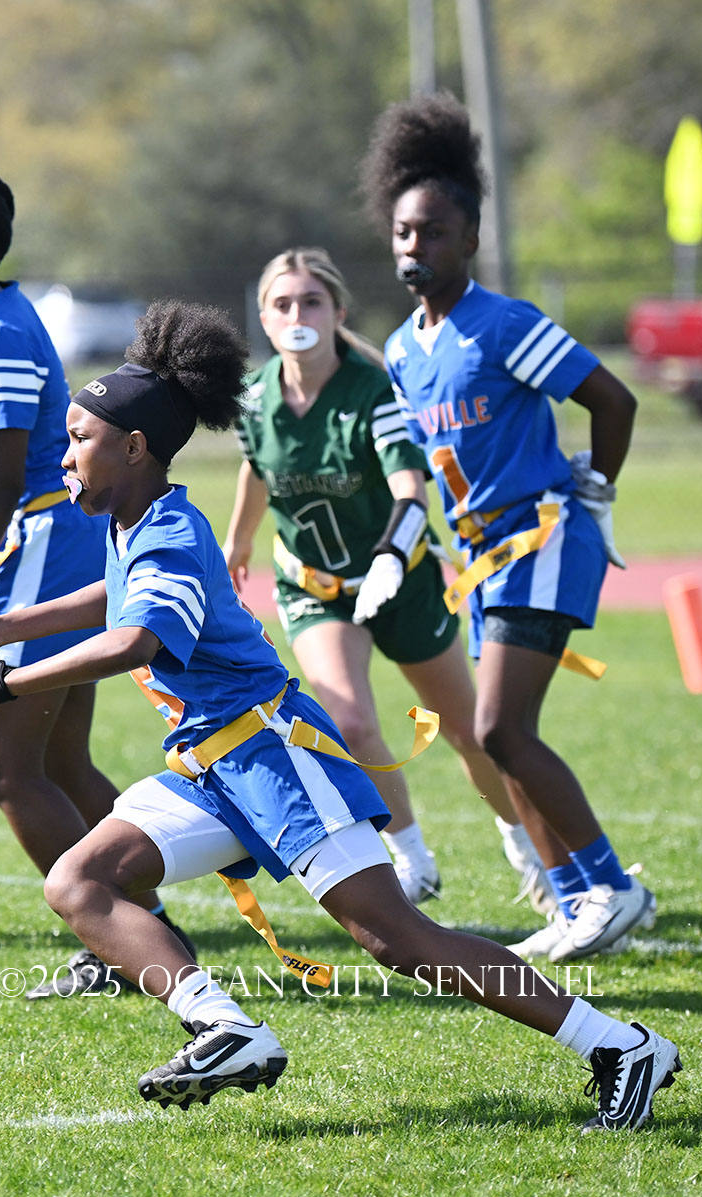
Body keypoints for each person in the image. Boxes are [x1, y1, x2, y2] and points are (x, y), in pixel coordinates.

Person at [0, 298, 681, 1131]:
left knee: (396, 939)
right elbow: (116, 596)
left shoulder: (167, 532)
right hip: (212, 767)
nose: (63, 455)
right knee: (78, 881)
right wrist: (6, 627)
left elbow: (135, 639)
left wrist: (3, 683)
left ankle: (619, 1045)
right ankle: (225, 1029)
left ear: (134, 448)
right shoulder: (133, 521)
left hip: (275, 758)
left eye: (78, 438)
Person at [358, 91, 655, 962]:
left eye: (434, 232)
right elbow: (424, 462)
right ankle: (572, 903)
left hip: (543, 538)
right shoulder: (404, 348)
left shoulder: (504, 323)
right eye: (404, 233)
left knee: (497, 731)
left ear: (471, 239)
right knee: (505, 736)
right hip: (481, 559)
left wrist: (597, 487)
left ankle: (613, 888)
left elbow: (614, 399)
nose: (415, 247)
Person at [0, 163, 192, 996]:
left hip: (40, 541)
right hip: (53, 538)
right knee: (61, 759)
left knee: (6, 768)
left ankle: (120, 937)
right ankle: (145, 921)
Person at [222, 246, 550, 911]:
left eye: (311, 301)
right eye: (282, 304)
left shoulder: (373, 391)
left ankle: (529, 851)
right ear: (264, 317)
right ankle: (413, 861)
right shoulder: (253, 398)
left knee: (469, 731)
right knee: (349, 722)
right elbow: (257, 467)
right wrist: (239, 539)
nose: (297, 315)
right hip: (315, 587)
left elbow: (410, 489)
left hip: (401, 582)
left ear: (338, 312)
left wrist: (391, 558)